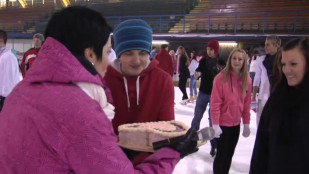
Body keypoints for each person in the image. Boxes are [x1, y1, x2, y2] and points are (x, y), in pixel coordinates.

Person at [0, 6, 198, 173]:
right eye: (107, 52)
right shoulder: (78, 108)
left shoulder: (19, 93)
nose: (107, 63)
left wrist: (117, 150)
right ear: (91, 54)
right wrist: (173, 153)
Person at [104, 19, 183, 165]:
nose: (137, 60)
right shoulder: (104, 79)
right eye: (128, 53)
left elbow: (166, 129)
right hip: (109, 161)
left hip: (149, 163)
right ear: (119, 53)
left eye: (142, 53)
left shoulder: (162, 80)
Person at [250, 38, 309, 174]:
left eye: (293, 64)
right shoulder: (277, 100)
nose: (287, 70)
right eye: (283, 64)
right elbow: (261, 148)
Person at [211, 48, 252, 174]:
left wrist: (246, 123)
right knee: (221, 156)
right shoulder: (220, 78)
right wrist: (215, 124)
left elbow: (246, 104)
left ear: (244, 61)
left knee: (229, 155)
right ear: (230, 60)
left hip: (236, 125)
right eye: (234, 58)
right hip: (223, 125)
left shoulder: (247, 80)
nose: (237, 61)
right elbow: (215, 103)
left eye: (240, 59)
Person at [191, 40, 222, 157]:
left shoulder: (221, 62)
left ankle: (214, 144)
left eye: (211, 49)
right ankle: (192, 140)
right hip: (203, 93)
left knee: (212, 120)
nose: (209, 51)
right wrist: (197, 74)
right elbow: (199, 70)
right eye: (208, 49)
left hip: (215, 95)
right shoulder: (203, 61)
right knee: (197, 117)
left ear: (216, 50)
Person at [252, 35, 281, 127]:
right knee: (261, 122)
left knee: (275, 122)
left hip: (278, 95)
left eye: (268, 45)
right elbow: (257, 78)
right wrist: (253, 96)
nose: (265, 47)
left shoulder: (282, 59)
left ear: (276, 45)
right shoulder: (261, 60)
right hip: (262, 96)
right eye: (265, 44)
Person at [0, 29, 20, 112]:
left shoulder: (8, 57)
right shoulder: (2, 55)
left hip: (4, 99)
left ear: (1, 39)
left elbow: (9, 81)